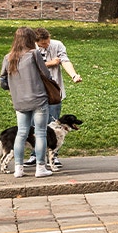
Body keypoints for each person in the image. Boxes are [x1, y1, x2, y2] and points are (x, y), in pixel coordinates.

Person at [0, 26, 52, 178]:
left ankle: (18, 169)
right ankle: (40, 167)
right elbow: (46, 75)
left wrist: (14, 86)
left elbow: (2, 82)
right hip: (38, 98)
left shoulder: (8, 57)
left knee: (21, 133)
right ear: (31, 39)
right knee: (40, 133)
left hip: (20, 101)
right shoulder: (34, 54)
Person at [31, 29, 81, 168]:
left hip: (53, 91)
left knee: (53, 124)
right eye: (42, 44)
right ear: (36, 42)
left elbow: (65, 61)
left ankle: (53, 155)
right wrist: (50, 63)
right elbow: (29, 66)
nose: (46, 45)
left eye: (47, 42)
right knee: (35, 125)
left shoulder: (57, 45)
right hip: (36, 91)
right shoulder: (30, 47)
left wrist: (74, 75)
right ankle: (35, 154)